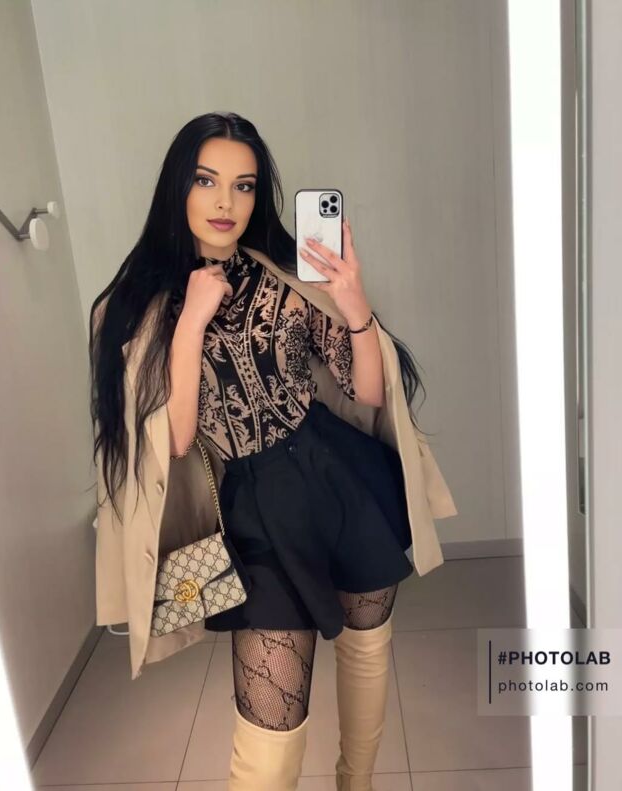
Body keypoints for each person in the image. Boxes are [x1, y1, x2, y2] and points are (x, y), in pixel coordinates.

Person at [90, 111, 454, 790]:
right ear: (178, 187)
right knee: (270, 731)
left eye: (244, 185)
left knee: (367, 650)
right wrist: (190, 323)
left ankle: (357, 782)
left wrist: (354, 305)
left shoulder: (284, 276)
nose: (225, 202)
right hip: (250, 513)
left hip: (338, 477)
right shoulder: (134, 308)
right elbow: (173, 438)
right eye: (206, 180)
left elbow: (366, 390)